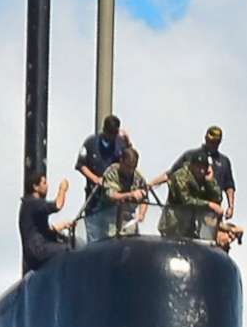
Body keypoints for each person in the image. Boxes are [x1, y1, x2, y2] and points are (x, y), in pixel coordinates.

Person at [150, 147, 227, 241]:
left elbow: (217, 198)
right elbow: (186, 200)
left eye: (203, 167)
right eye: (198, 167)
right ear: (192, 165)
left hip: (191, 228)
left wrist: (210, 182)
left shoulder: (204, 178)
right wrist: (209, 205)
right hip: (173, 226)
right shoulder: (181, 176)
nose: (201, 171)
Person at [74, 114, 128, 246]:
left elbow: (130, 162)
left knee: (114, 235)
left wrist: (128, 142)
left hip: (113, 200)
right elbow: (80, 165)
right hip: (95, 198)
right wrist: (95, 179)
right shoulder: (91, 143)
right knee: (95, 234)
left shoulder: (120, 145)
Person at [19, 171, 76, 273]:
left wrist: (62, 226)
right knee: (70, 248)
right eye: (44, 183)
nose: (47, 186)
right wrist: (62, 188)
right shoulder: (33, 203)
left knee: (66, 240)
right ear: (35, 187)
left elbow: (40, 229)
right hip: (38, 250)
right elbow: (57, 205)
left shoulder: (28, 205)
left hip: (33, 252)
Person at [103, 144, 150, 237]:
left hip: (129, 220)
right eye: (128, 167)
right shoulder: (111, 173)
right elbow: (112, 195)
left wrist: (141, 214)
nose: (130, 170)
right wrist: (130, 195)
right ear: (121, 161)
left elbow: (145, 199)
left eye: (134, 167)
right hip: (109, 218)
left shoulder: (138, 178)